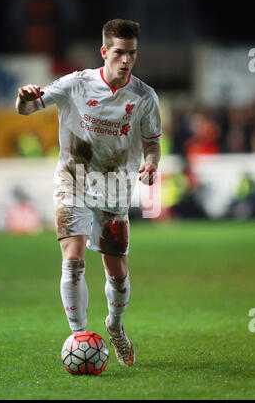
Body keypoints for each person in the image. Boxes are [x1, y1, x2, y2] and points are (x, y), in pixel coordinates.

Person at [15, 19, 162, 367]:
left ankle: (115, 324)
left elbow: (152, 144)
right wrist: (23, 99)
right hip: (73, 179)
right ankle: (79, 336)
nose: (125, 60)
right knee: (74, 262)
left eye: (132, 54)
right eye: (119, 53)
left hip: (114, 187)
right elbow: (26, 109)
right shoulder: (76, 84)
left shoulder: (144, 96)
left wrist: (152, 163)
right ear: (104, 52)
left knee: (118, 273)